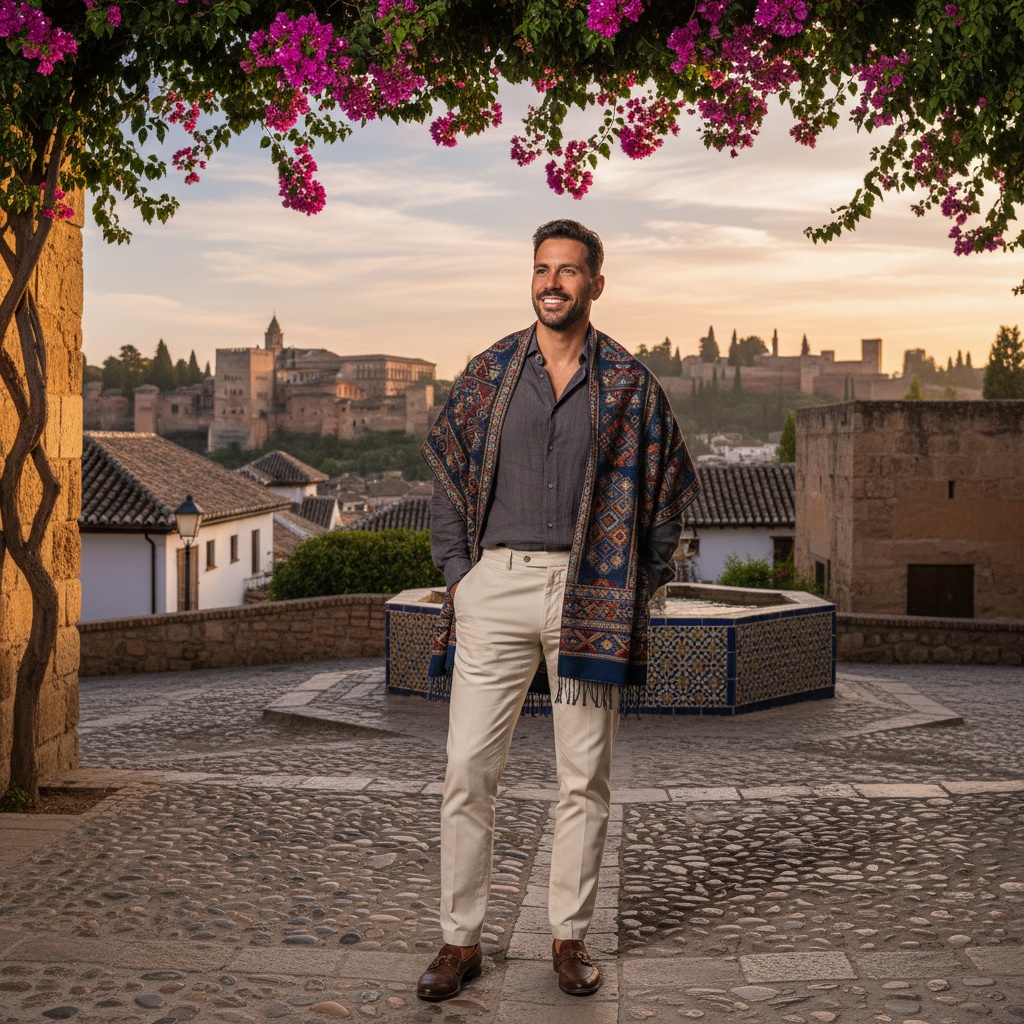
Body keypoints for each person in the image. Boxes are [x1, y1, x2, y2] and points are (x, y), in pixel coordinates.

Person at [417, 219, 699, 1001]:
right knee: (468, 770)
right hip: (495, 588)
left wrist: (635, 584)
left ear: (595, 284)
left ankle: (569, 938)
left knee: (585, 778)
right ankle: (459, 942)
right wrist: (458, 576)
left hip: (590, 596)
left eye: (570, 271)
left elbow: (667, 492)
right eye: (543, 268)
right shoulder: (488, 373)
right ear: (531, 277)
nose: (553, 281)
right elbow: (446, 475)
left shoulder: (631, 384)